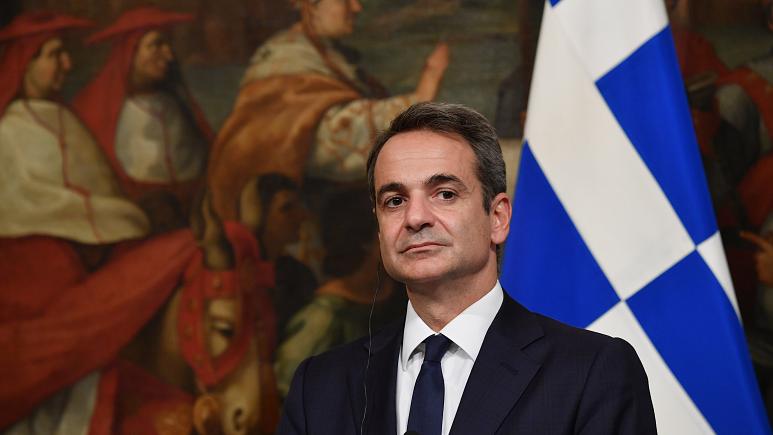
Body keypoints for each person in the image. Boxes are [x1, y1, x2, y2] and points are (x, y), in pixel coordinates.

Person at [277, 102, 656, 435]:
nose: (415, 218)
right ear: (379, 230)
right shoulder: (320, 386)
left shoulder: (591, 371)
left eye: (445, 194)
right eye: (394, 201)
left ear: (498, 218)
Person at [207, 0, 450, 220]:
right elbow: (326, 143)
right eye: (346, 1)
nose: (356, 7)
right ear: (312, 6)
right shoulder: (286, 60)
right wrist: (422, 93)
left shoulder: (328, 55)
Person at [73, 6, 212, 231]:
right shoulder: (93, 110)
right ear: (130, 52)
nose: (169, 55)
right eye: (156, 45)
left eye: (168, 45)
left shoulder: (179, 105)